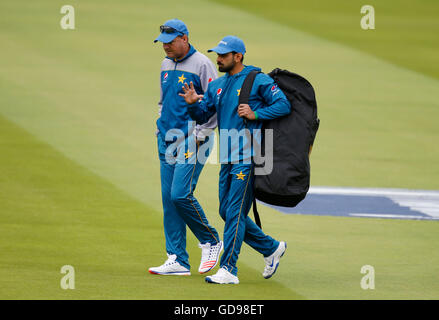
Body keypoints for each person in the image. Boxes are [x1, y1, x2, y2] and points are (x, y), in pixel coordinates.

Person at [179, 35, 290, 284]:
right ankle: (271, 248)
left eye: (223, 55)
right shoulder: (218, 85)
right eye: (217, 55)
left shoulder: (258, 80)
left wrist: (256, 113)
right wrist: (191, 105)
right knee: (226, 211)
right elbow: (203, 114)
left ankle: (229, 269)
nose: (218, 59)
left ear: (238, 56)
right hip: (227, 155)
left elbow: (283, 105)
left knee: (235, 212)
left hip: (249, 155)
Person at [149, 19, 223, 276]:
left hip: (193, 140)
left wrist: (202, 133)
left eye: (170, 42)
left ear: (185, 38)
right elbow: (163, 99)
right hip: (166, 139)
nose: (166, 47)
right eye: (163, 43)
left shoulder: (202, 63)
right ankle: (177, 259)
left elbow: (215, 102)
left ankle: (211, 240)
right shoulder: (165, 64)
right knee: (169, 200)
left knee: (180, 194)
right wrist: (160, 125)